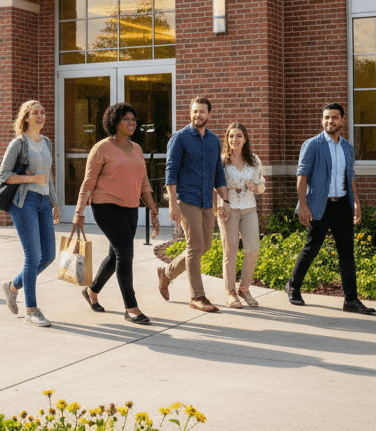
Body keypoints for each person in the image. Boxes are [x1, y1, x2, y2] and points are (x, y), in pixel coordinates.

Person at [72, 102, 161, 325]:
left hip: (131, 207)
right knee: (125, 253)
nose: (132, 123)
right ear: (114, 122)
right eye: (126, 119)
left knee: (115, 256)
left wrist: (153, 209)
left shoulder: (137, 148)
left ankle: (92, 291)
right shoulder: (102, 148)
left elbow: (144, 183)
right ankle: (131, 308)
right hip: (106, 206)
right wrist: (78, 213)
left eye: (134, 119)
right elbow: (88, 183)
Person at [284, 103, 376, 315]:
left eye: (334, 117)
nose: (330, 121)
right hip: (319, 206)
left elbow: (350, 176)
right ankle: (293, 286)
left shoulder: (347, 147)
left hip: (342, 205)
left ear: (343, 121)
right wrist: (303, 206)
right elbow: (302, 177)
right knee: (312, 248)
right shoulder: (312, 145)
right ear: (322, 120)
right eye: (326, 117)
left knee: (347, 253)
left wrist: (356, 203)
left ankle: (351, 300)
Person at [158, 96, 230, 312]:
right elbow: (170, 171)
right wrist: (173, 203)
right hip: (186, 198)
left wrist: (224, 200)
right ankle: (197, 297)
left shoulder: (214, 141)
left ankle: (168, 273)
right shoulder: (179, 138)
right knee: (194, 246)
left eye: (202, 112)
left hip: (206, 200)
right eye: (194, 111)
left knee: (204, 246)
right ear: (190, 113)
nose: (198, 115)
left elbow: (218, 173)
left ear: (209, 114)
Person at [0, 100, 58, 327]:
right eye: (35, 113)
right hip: (24, 202)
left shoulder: (47, 142)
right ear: (25, 117)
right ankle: (31, 309)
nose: (41, 116)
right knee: (32, 256)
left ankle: (13, 286)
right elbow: (4, 175)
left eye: (43, 112)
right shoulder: (18, 143)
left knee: (49, 255)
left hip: (43, 202)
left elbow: (48, 176)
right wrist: (31, 178)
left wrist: (55, 202)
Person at [218, 122, 265, 309]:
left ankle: (244, 288)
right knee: (230, 252)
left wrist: (255, 187)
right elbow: (216, 186)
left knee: (253, 249)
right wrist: (221, 204)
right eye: (231, 136)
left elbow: (261, 184)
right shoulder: (222, 161)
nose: (234, 140)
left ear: (245, 139)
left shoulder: (253, 160)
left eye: (238, 136)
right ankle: (230, 293)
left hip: (249, 208)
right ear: (227, 139)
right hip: (228, 209)